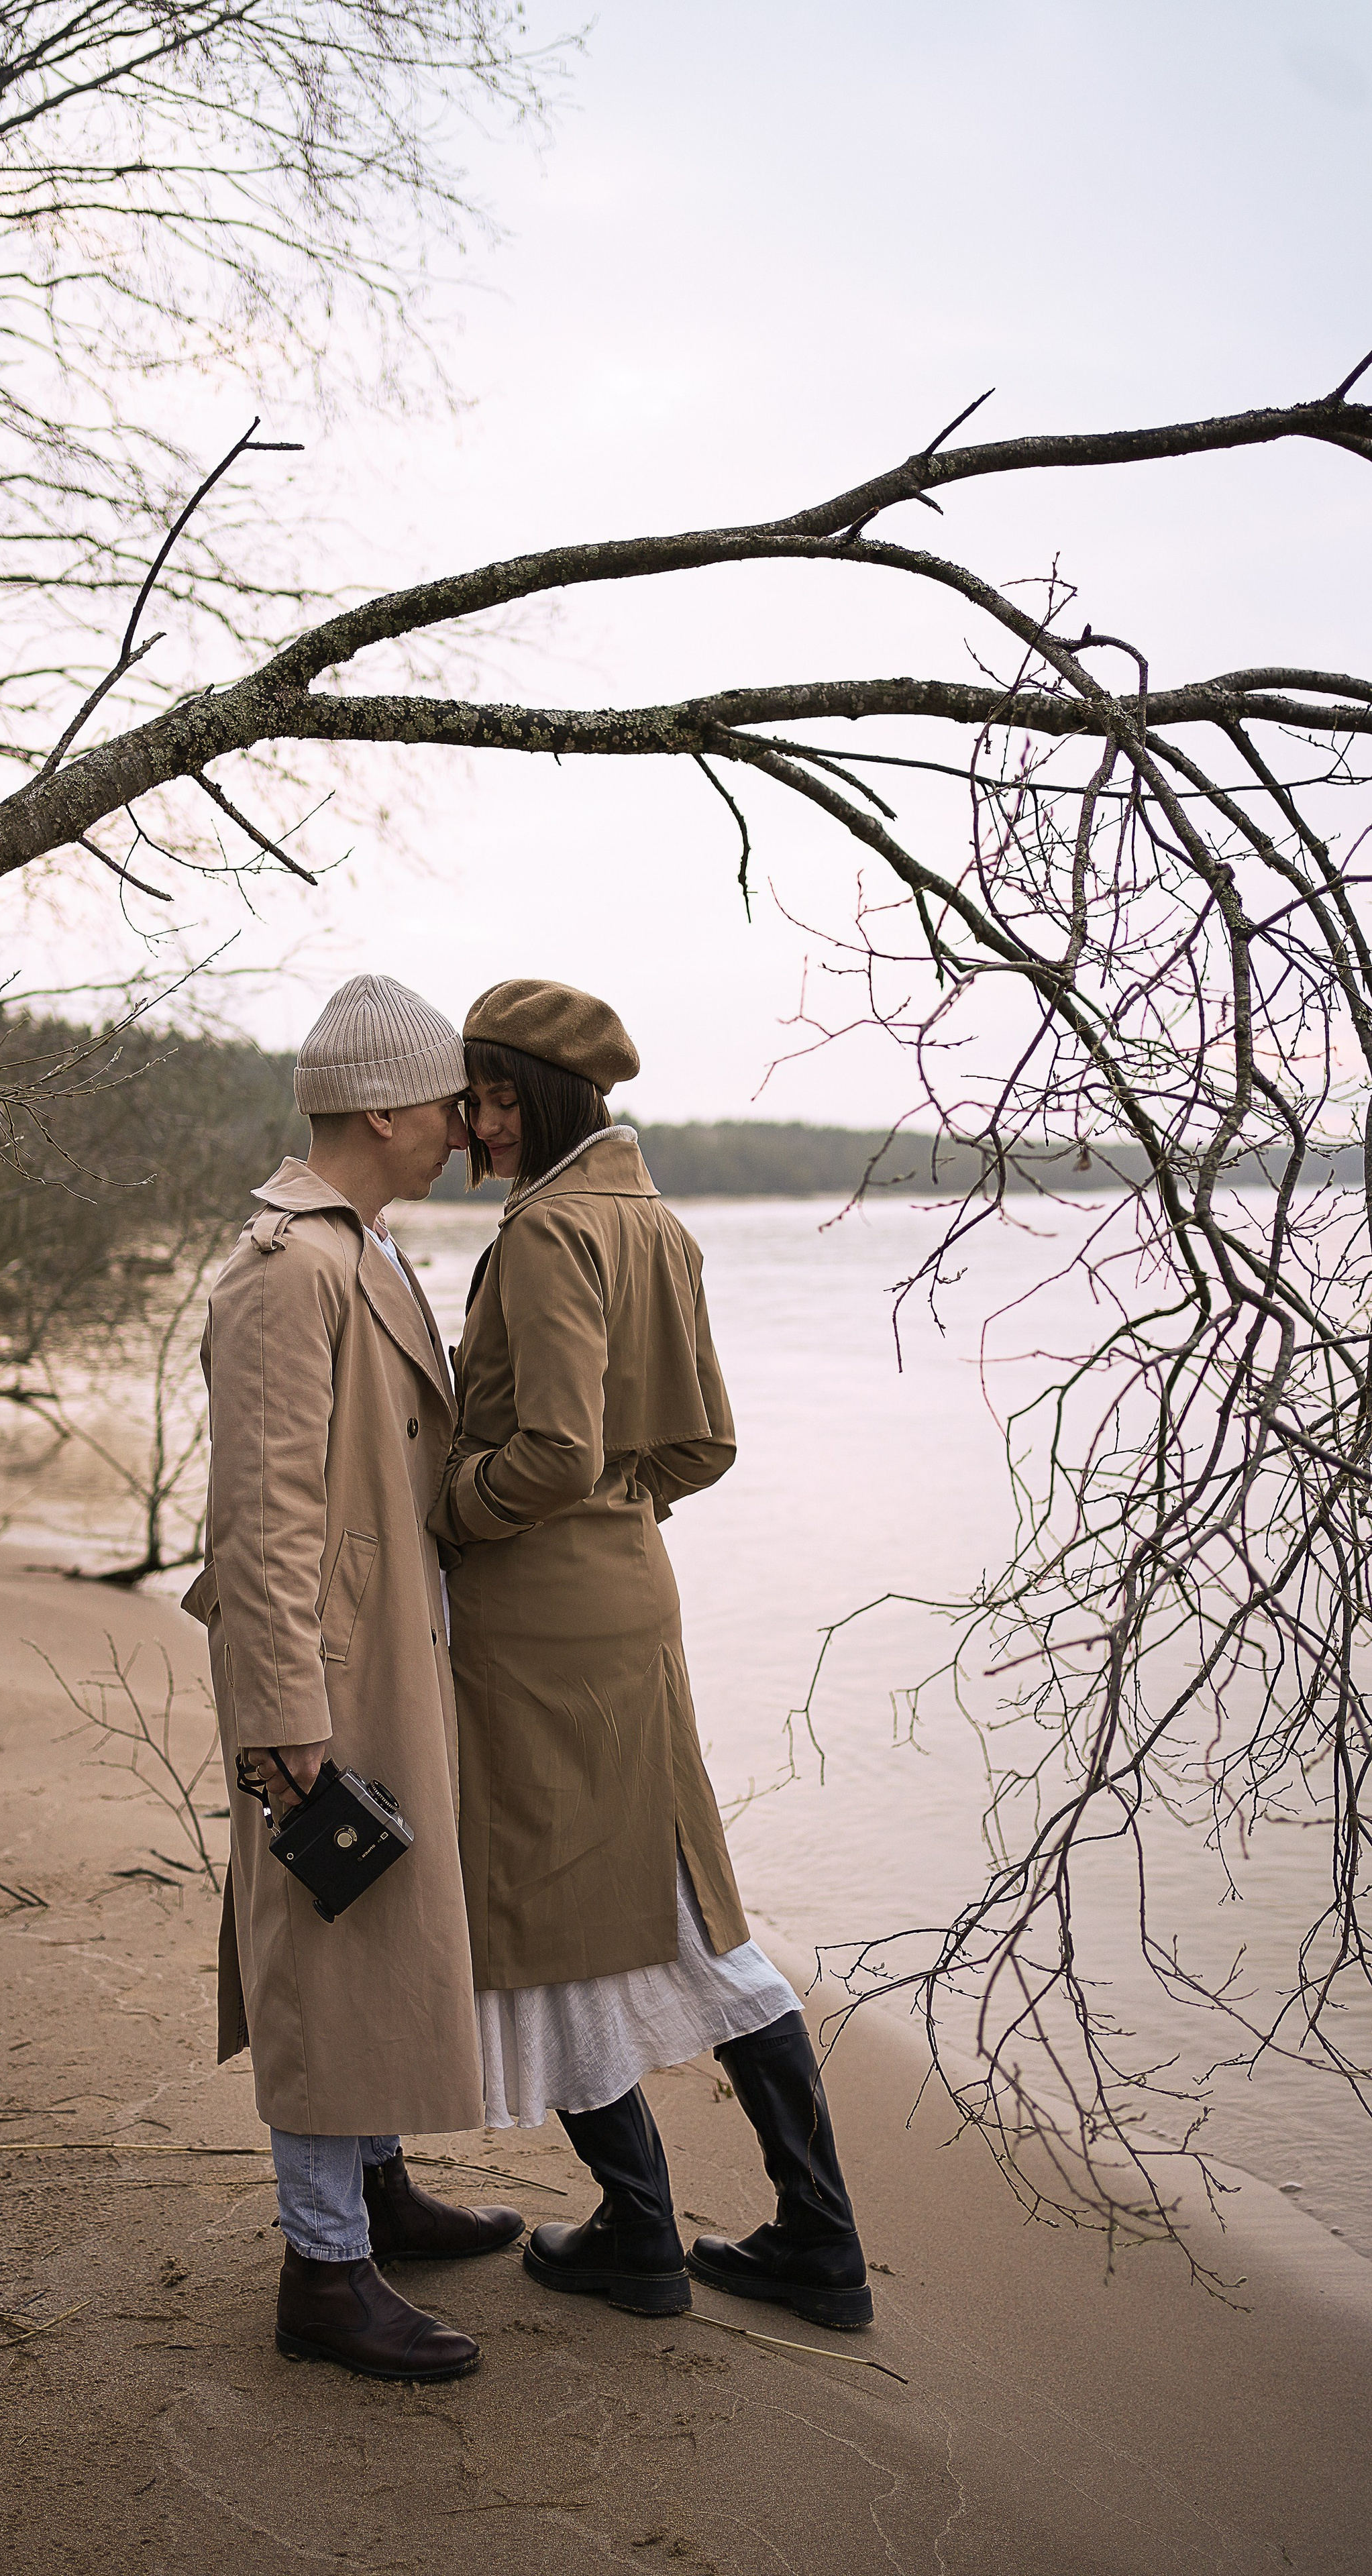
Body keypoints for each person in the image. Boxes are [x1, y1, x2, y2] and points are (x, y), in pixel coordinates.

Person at [431, 977, 872, 2331]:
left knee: (553, 1918)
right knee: (680, 1911)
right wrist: (618, 1512)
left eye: (499, 1097)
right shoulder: (653, 1222)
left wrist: (447, 1511)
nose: (478, 1124)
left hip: (539, 1622)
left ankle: (640, 2238)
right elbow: (699, 1447)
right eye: (475, 1095)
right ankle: (814, 2244)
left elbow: (554, 1448)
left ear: (550, 1098)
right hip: (631, 1596)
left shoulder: (554, 1231)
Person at [186, 973, 523, 2383]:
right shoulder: (293, 1267)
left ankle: (371, 2196)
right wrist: (284, 1725)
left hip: (382, 1658)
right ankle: (323, 2273)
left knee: (374, 1942)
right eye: (448, 1099)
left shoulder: (362, 1251)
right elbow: (256, 1519)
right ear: (382, 1106)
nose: (462, 1124)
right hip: (324, 1678)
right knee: (330, 1955)